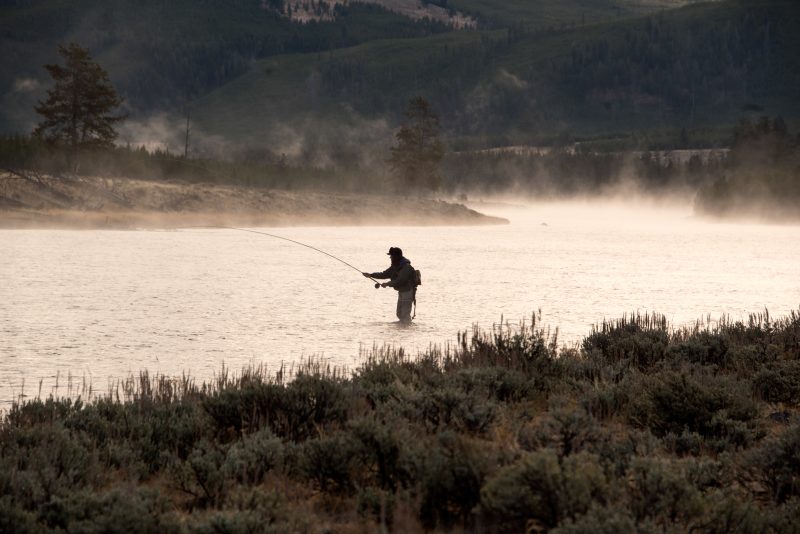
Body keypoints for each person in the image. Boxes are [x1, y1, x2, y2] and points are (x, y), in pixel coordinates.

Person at [363, 246, 417, 323]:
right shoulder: (395, 266)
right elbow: (384, 274)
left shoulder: (406, 267)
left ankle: (407, 328)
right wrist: (371, 275)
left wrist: (388, 284)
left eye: (391, 256)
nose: (390, 258)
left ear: (396, 256)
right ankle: (404, 331)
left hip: (408, 292)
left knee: (405, 315)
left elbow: (400, 280)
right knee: (399, 314)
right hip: (402, 292)